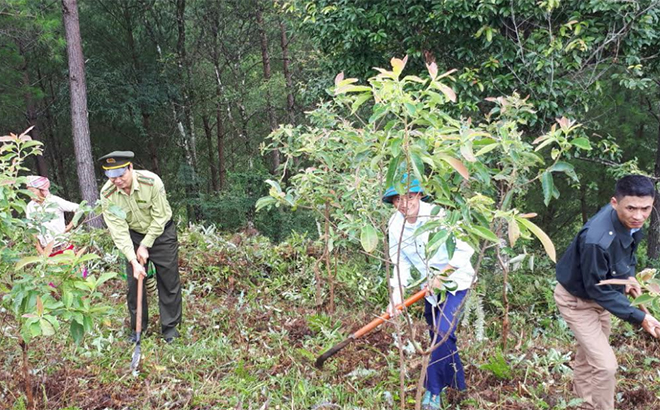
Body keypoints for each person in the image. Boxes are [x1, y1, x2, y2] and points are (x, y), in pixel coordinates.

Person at [555, 174, 660, 410]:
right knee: (605, 366)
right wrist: (641, 317)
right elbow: (597, 288)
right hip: (578, 302)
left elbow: (626, 253)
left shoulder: (629, 223)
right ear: (615, 203)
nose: (638, 216)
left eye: (646, 209)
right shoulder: (596, 240)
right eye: (631, 208)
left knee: (587, 358)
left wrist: (628, 276)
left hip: (603, 298)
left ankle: (584, 404)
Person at [383, 177, 476, 410]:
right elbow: (399, 264)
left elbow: (466, 248)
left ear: (419, 195)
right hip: (430, 288)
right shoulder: (395, 225)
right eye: (398, 199)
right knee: (441, 336)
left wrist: (442, 275)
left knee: (441, 334)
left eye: (409, 196)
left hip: (456, 283)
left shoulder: (438, 216)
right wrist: (396, 299)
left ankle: (433, 391)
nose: (404, 203)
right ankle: (457, 385)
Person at [99, 151, 182, 343]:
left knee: (168, 281)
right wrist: (133, 259)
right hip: (133, 234)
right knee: (134, 284)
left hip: (161, 232)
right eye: (111, 177)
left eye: (120, 175)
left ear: (130, 168)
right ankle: (138, 329)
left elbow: (161, 216)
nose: (117, 181)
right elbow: (118, 230)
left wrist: (146, 244)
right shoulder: (107, 194)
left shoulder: (151, 182)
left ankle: (170, 329)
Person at [25, 176, 79, 256]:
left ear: (42, 190)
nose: (30, 195)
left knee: (72, 266)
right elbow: (33, 231)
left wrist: (71, 225)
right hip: (46, 250)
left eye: (33, 191)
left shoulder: (54, 201)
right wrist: (41, 251)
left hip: (63, 245)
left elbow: (78, 208)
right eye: (28, 192)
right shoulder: (30, 207)